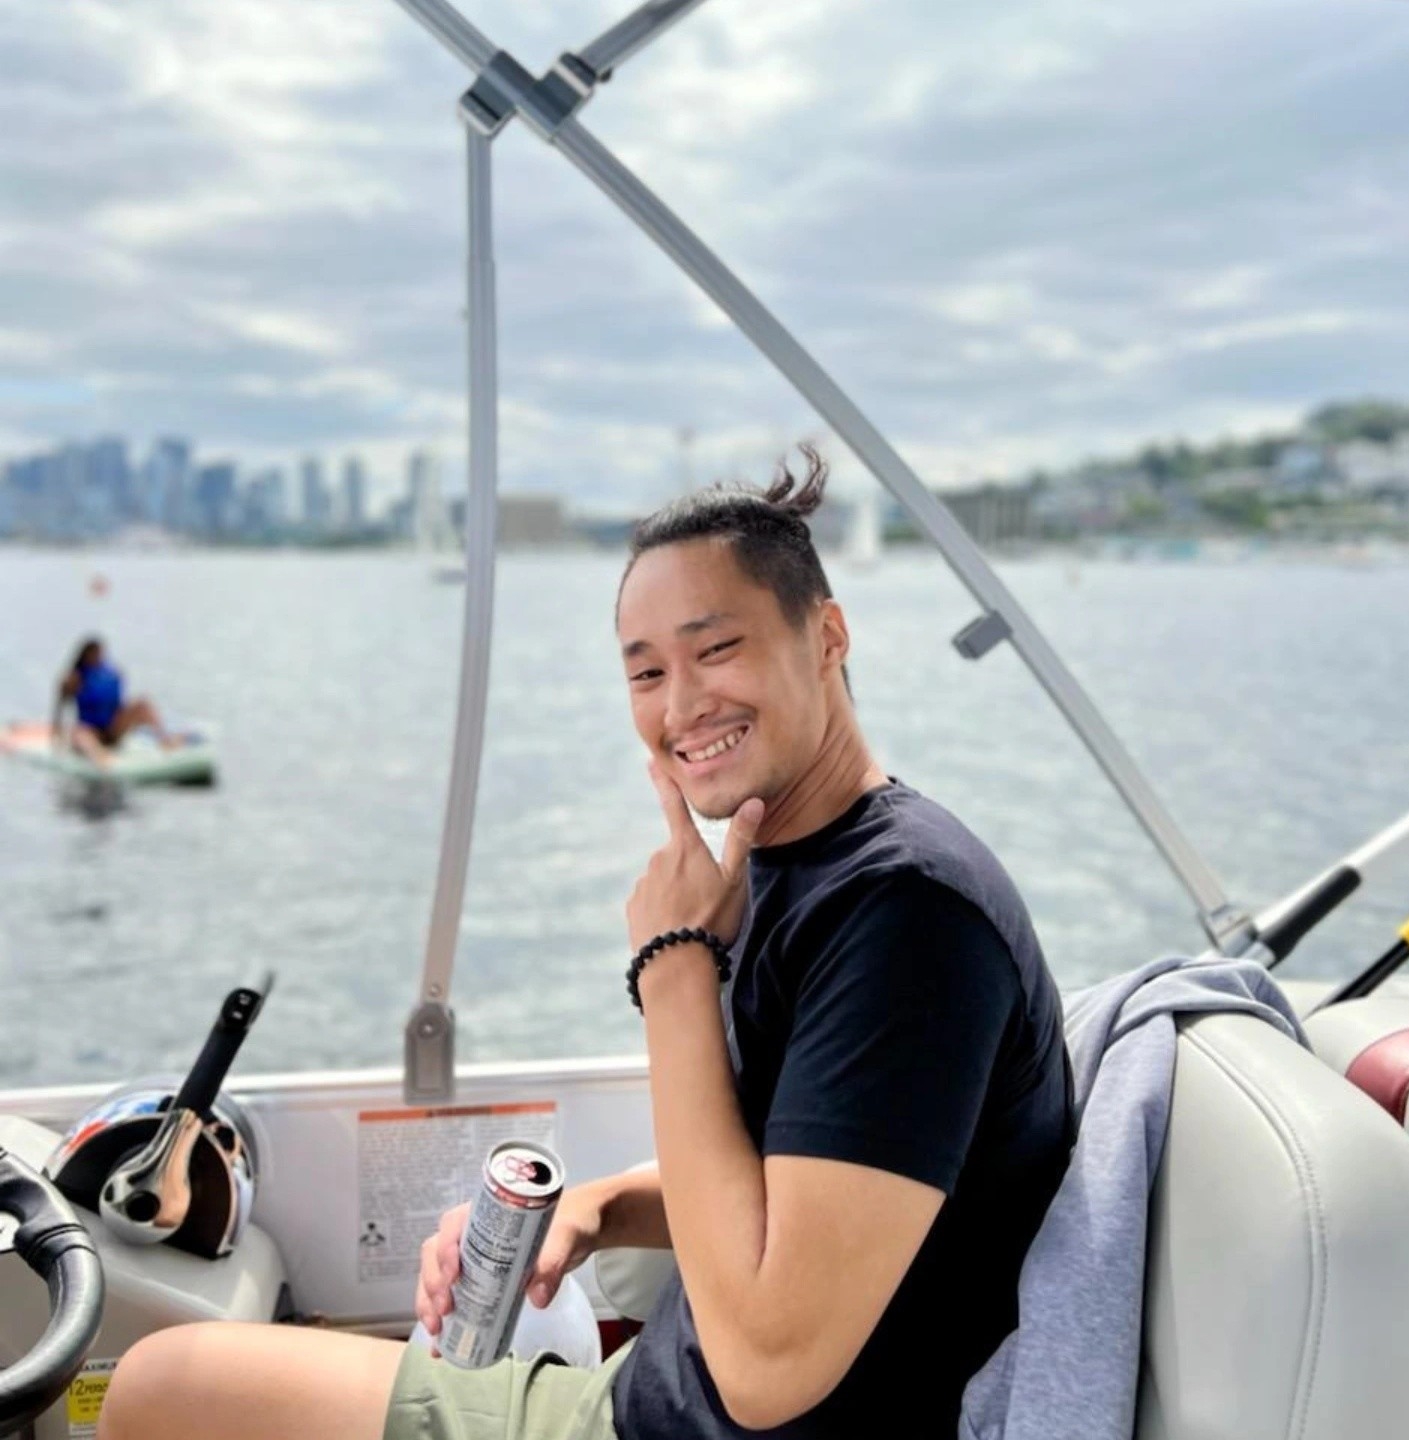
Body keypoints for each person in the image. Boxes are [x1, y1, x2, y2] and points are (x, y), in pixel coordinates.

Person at [96, 450, 1074, 1440]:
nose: (680, 706)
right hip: (665, 1385)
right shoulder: (804, 866)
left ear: (826, 637)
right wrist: (598, 1207)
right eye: (646, 672)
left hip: (677, 1422)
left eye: (715, 649)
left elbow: (767, 1373)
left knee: (163, 1385)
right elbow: (803, 1184)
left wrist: (676, 967)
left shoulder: (908, 914)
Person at [53, 637, 178, 763]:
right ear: (85, 655)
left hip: (112, 729)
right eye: (95, 654)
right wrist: (57, 731)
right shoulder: (74, 678)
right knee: (79, 733)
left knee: (143, 704)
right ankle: (101, 759)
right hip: (91, 732)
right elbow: (60, 706)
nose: (98, 657)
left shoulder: (110, 673)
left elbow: (119, 703)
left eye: (100, 653)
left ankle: (165, 740)